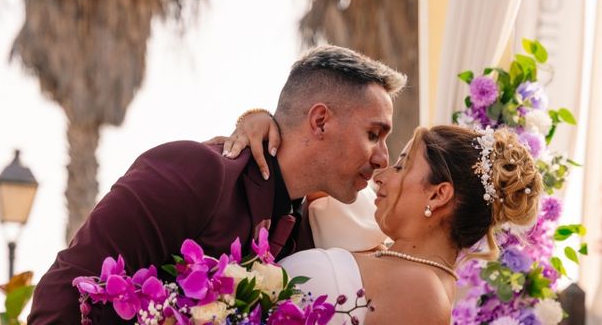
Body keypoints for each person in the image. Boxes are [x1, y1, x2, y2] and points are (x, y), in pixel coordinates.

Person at [28, 45, 406, 324]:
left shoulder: (313, 225)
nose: (382, 158)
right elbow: (61, 294)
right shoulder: (199, 172)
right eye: (374, 134)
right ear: (320, 121)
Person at [223, 121, 542, 324]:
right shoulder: (372, 241)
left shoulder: (423, 294)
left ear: (438, 194)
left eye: (402, 167)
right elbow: (312, 161)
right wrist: (262, 122)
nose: (381, 177)